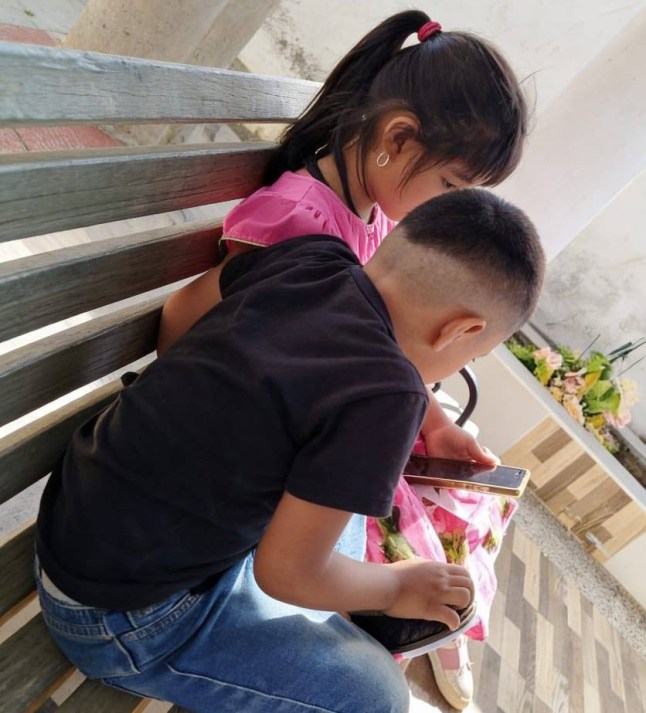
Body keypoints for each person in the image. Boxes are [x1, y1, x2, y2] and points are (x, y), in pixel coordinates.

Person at [36, 189, 544, 713]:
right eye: (474, 356)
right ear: (462, 331)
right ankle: (349, 621)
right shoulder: (388, 398)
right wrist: (396, 590)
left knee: (341, 504)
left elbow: (180, 313)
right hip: (124, 620)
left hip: (75, 521)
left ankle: (338, 612)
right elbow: (285, 574)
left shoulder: (312, 256)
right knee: (378, 698)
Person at [157, 10, 528, 709]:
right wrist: (194, 412)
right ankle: (410, 629)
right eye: (453, 186)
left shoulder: (368, 220)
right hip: (221, 491)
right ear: (397, 139)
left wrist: (434, 424)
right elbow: (191, 327)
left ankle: (418, 627)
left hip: (260, 476)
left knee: (428, 517)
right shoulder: (300, 227)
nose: (450, 208)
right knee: (386, 604)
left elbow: (360, 344)